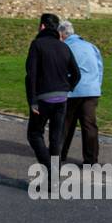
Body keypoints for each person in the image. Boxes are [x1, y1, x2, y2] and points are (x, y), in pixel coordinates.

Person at [24, 13, 81, 175]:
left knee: (35, 134)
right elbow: (76, 74)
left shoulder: (37, 45)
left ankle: (50, 169)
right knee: (55, 139)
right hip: (61, 98)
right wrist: (67, 88)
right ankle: (53, 179)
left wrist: (32, 100)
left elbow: (31, 74)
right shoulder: (64, 47)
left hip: (43, 98)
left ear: (42, 26)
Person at [58, 19, 103, 165]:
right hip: (91, 90)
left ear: (61, 34)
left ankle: (59, 155)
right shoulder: (91, 46)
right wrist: (96, 86)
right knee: (89, 125)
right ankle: (91, 160)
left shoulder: (64, 47)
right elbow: (99, 67)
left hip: (72, 91)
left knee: (65, 124)